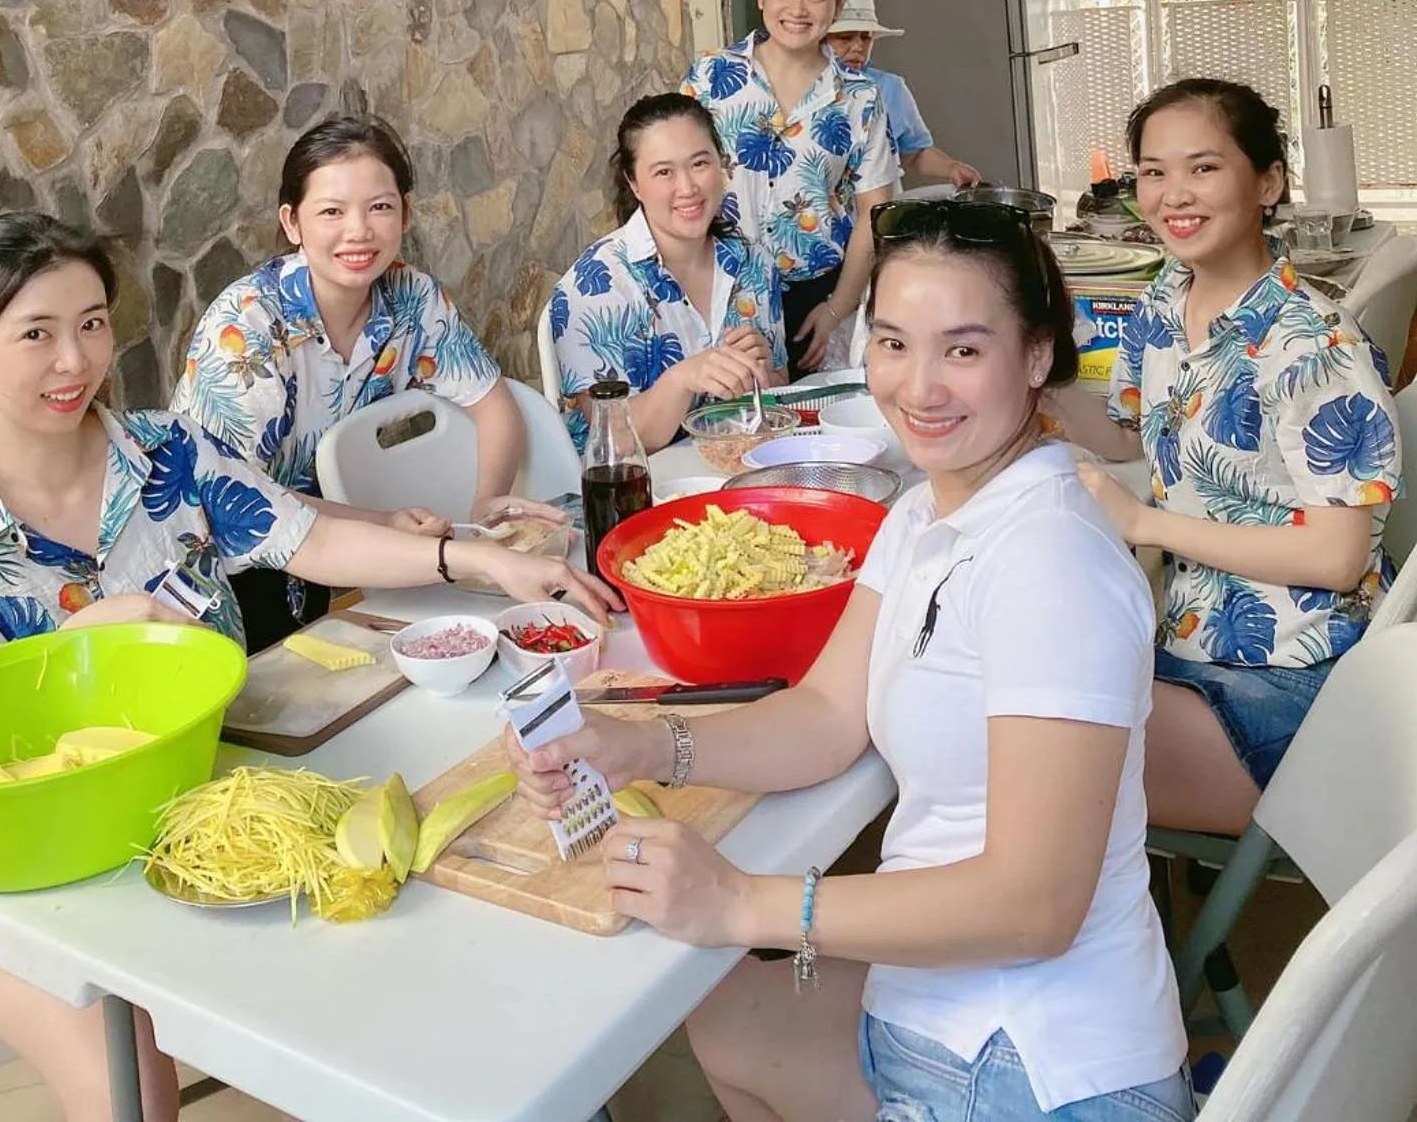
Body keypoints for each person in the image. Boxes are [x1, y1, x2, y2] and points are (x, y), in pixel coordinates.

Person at [0, 212, 617, 1122]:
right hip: (33, 874)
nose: (75, 361)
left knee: (428, 942)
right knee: (133, 1099)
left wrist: (484, 562)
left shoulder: (168, 454)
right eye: (35, 334)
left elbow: (310, 540)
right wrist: (85, 651)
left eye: (91, 323)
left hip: (216, 799)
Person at [510, 199, 1191, 1122]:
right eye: (893, 342)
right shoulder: (922, 514)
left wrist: (749, 904)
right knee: (719, 1015)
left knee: (710, 989)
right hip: (941, 1004)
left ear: (1036, 357)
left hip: (1031, 1068)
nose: (919, 388)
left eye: (962, 349)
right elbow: (829, 713)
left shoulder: (1052, 562)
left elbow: (1035, 905)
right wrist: (635, 743)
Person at [1072, 77, 1400, 837]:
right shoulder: (1164, 298)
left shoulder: (1314, 346)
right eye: (1153, 171)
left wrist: (1146, 525)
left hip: (1293, 678)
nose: (1172, 194)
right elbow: (1130, 433)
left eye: (1203, 167)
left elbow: (1336, 558)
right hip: (1185, 639)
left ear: (1268, 181)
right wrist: (1022, 374)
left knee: (1031, 763)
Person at [173, 114, 541, 649]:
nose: (359, 231)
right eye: (331, 212)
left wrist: (487, 510)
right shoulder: (247, 325)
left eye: (380, 207)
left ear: (406, 213)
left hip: (330, 554)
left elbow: (494, 403)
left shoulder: (413, 297)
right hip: (220, 576)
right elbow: (242, 498)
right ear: (293, 222)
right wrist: (382, 522)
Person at [685, 0, 898, 375]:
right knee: (732, 428)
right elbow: (672, 175)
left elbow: (873, 212)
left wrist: (838, 308)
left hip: (814, 301)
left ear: (836, 5)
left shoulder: (860, 97)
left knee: (813, 429)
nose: (798, 9)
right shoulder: (711, 78)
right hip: (720, 290)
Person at [550, 94, 787, 453]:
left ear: (721, 165)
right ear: (633, 184)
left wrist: (765, 372)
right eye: (664, 172)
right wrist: (681, 380)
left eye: (699, 163)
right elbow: (613, 439)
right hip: (640, 494)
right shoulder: (595, 286)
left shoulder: (753, 262)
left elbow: (780, 388)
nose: (688, 188)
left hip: (743, 472)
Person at [828, 0, 981, 187]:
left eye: (866, 37)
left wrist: (951, 167)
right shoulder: (796, 88)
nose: (858, 47)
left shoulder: (890, 87)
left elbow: (914, 153)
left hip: (880, 210)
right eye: (845, 37)